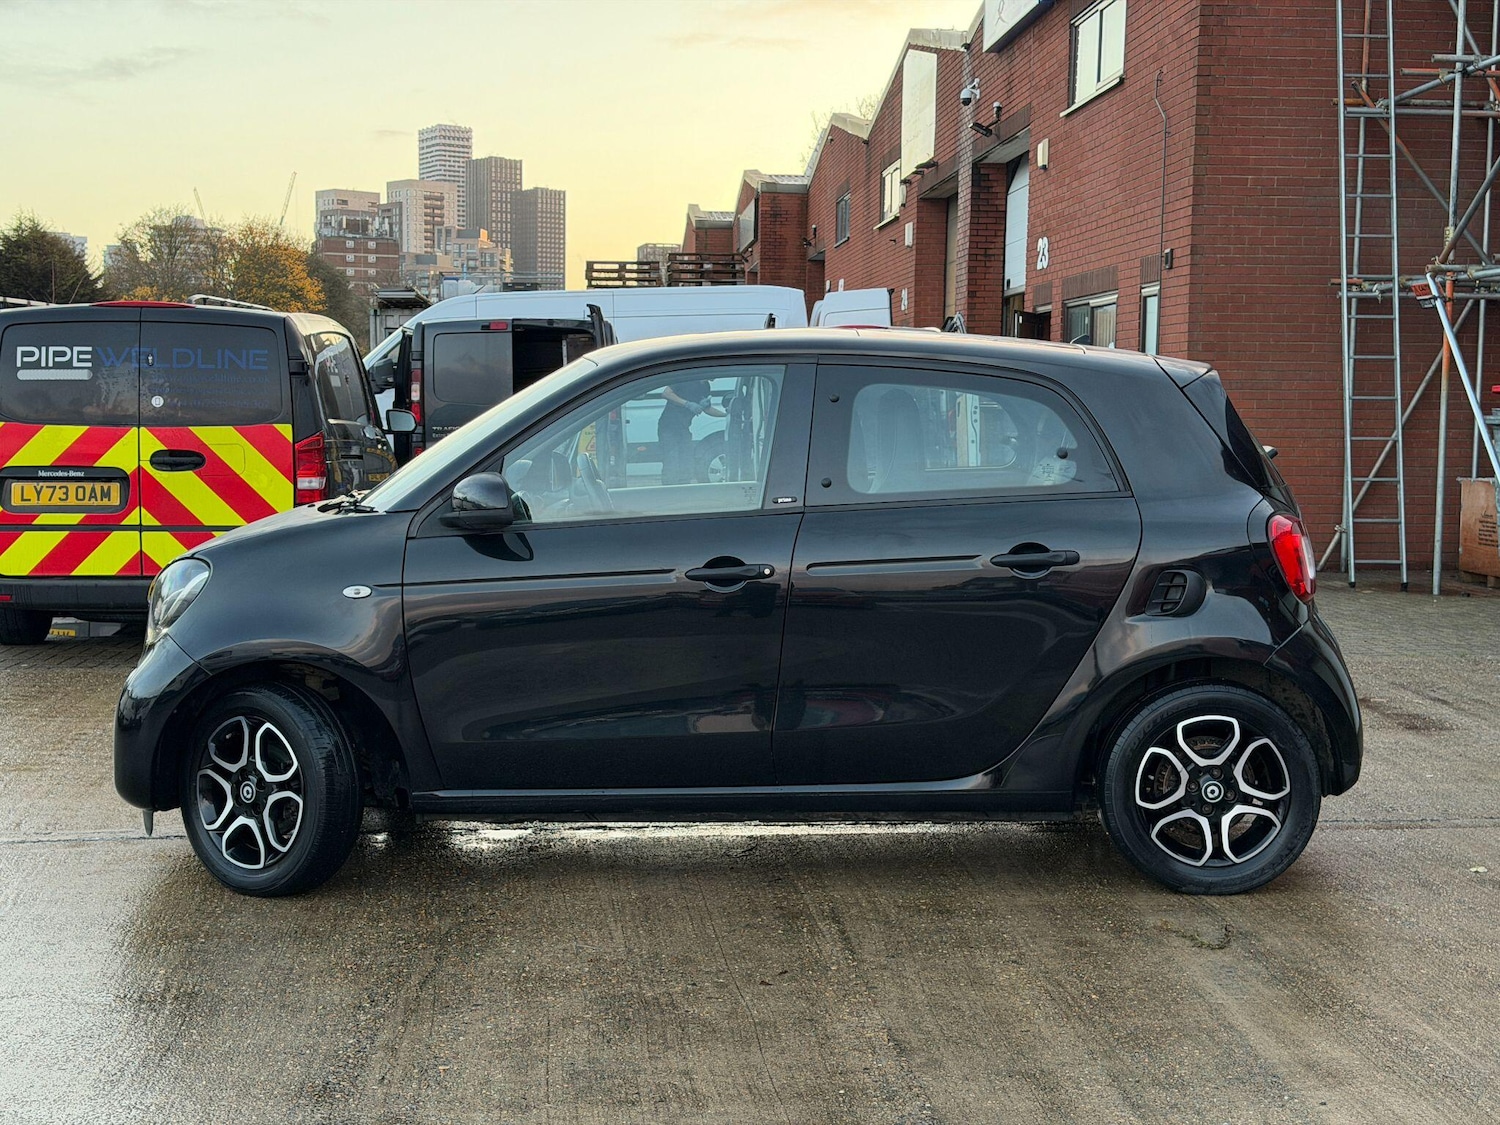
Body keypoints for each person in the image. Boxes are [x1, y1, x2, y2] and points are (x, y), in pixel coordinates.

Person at [658, 376, 725, 485]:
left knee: (687, 460)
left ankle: (683, 488)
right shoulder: (687, 379)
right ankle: (668, 490)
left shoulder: (705, 386)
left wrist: (726, 414)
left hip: (684, 428)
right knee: (671, 460)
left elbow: (707, 410)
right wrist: (687, 404)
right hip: (668, 427)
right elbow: (666, 393)